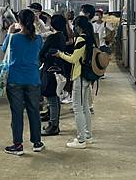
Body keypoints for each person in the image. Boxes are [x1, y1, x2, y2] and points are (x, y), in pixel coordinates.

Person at [2, 9, 45, 155]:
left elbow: (4, 49)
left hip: (15, 79)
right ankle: (37, 142)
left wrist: (9, 31)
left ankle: (18, 145)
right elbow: (40, 51)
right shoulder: (38, 39)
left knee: (17, 112)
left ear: (19, 21)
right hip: (33, 78)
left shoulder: (13, 38)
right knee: (34, 111)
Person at [55, 16, 95, 149]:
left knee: (78, 108)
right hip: (87, 77)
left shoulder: (81, 39)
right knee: (85, 108)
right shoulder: (90, 38)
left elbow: (73, 59)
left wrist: (60, 54)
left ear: (79, 27)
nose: (73, 28)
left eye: (75, 26)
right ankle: (88, 136)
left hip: (79, 76)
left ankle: (81, 139)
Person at [39, 14, 67, 136]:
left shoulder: (53, 37)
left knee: (52, 98)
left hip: (50, 71)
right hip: (58, 70)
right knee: (55, 97)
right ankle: (53, 123)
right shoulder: (62, 36)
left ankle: (54, 125)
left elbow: (42, 53)